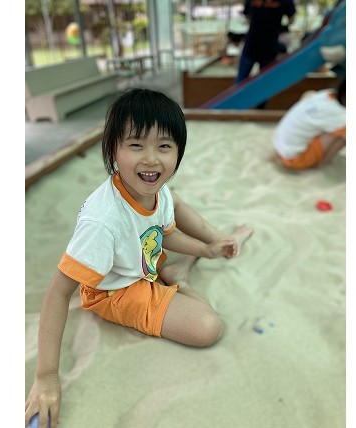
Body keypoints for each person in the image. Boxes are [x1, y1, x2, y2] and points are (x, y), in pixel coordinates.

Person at [25, 89, 253, 428]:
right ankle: (180, 280)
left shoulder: (156, 190)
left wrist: (206, 249)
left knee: (174, 201)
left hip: (143, 259)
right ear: (113, 151)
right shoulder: (102, 222)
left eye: (164, 146)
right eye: (136, 145)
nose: (151, 159)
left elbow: (163, 234)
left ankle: (207, 247)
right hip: (115, 290)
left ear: (178, 152)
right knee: (208, 327)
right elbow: (58, 293)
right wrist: (46, 377)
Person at [273, 78, 346, 170]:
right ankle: (322, 165)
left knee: (333, 126)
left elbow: (307, 94)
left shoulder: (325, 94)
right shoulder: (340, 114)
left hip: (279, 147)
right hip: (295, 159)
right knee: (343, 132)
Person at [234, 0, 296, 109]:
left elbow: (247, 16)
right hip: (268, 45)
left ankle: (236, 107)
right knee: (264, 83)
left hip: (253, 44)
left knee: (242, 80)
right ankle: (258, 110)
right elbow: (291, 20)